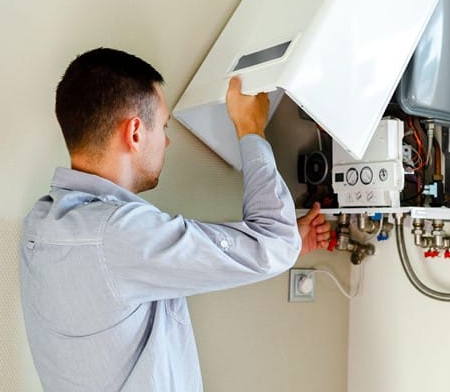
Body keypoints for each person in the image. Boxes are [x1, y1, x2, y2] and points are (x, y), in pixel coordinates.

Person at [19, 47, 331, 391]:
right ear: (135, 132)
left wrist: (270, 247)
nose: (166, 141)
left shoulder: (41, 223)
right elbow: (274, 242)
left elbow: (145, 272)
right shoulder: (118, 236)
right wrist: (250, 128)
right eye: (163, 126)